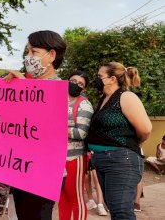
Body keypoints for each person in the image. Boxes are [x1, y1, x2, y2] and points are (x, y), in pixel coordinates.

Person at [5, 30, 67, 220]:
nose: (28, 57)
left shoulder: (60, 90)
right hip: (20, 168)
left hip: (44, 172)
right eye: (27, 52)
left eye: (34, 52)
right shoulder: (25, 84)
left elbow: (46, 128)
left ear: (52, 55)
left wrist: (26, 89)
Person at [86, 62, 152, 220]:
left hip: (121, 159)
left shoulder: (126, 96)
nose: (96, 79)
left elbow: (146, 129)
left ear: (112, 79)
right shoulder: (104, 99)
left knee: (121, 211)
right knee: (114, 207)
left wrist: (134, 144)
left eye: (99, 76)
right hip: (101, 160)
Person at [59, 71, 94, 220]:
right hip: (57, 158)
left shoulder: (84, 105)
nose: (76, 85)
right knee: (61, 197)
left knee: (76, 196)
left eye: (80, 84)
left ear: (84, 89)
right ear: (68, 80)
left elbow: (81, 133)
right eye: (73, 81)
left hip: (74, 158)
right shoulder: (58, 99)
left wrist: (57, 128)